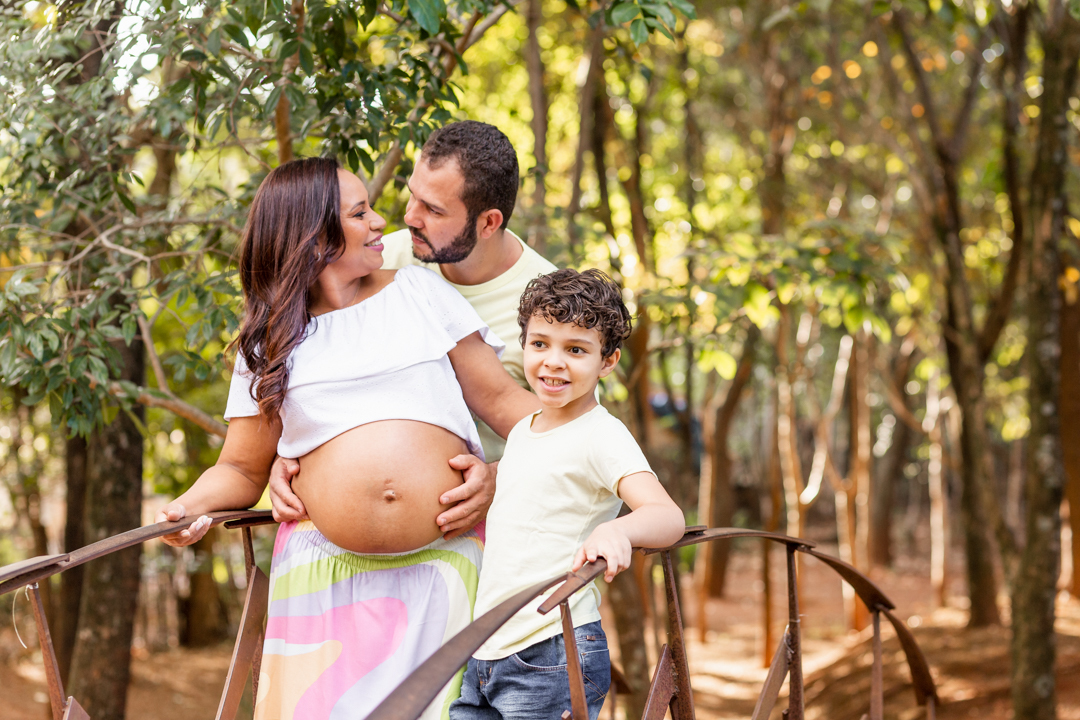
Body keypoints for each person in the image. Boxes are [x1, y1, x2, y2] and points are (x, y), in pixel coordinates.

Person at [156, 157, 540, 719]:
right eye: (360, 212)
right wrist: (189, 507)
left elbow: (515, 411)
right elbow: (240, 470)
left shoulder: (419, 295)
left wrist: (496, 478)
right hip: (322, 585)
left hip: (445, 570)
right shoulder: (267, 343)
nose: (382, 220)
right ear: (312, 236)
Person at [269, 120, 558, 532]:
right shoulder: (379, 259)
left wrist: (500, 476)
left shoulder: (554, 307)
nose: (407, 217)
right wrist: (293, 455)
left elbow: (569, 427)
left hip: (508, 526)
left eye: (433, 210)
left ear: (489, 223)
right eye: (412, 196)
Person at [450, 269, 686, 719]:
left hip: (551, 651)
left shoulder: (602, 435)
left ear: (608, 361)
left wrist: (618, 530)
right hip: (489, 648)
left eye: (575, 350)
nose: (553, 362)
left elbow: (666, 516)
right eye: (540, 343)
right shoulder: (523, 431)